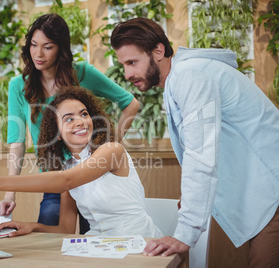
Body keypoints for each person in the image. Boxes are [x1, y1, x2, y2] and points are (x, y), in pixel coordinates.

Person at [110, 17, 279, 267]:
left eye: (132, 62)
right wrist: (191, 202)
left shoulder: (190, 77)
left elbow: (201, 155)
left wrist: (185, 234)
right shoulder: (182, 77)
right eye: (123, 65)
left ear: (158, 51)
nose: (127, 74)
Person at [0, 13, 139, 233]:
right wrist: (9, 193)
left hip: (92, 177)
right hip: (55, 180)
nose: (38, 54)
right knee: (51, 246)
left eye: (47, 47)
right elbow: (17, 142)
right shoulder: (18, 86)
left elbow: (130, 103)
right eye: (33, 45)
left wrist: (108, 146)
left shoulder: (82, 73)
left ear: (61, 49)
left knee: (97, 240)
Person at [0, 86, 163, 239]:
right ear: (56, 133)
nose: (81, 121)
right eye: (68, 119)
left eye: (84, 114)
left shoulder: (111, 150)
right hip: (99, 246)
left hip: (139, 244)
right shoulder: (68, 167)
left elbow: (65, 181)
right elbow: (65, 229)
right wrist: (31, 226)